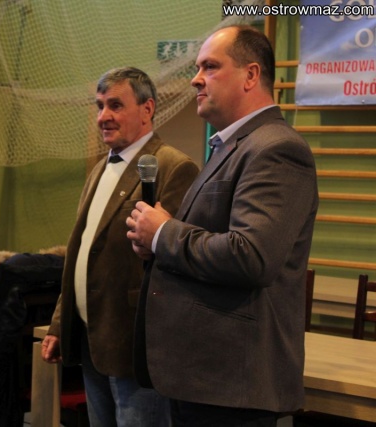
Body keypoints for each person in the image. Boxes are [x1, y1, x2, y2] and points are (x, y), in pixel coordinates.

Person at [127, 25, 319, 427]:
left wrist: (163, 234)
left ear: (251, 75)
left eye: (210, 67)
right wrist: (155, 244)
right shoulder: (231, 146)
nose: (195, 79)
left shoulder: (276, 148)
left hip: (231, 387)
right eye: (198, 68)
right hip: (203, 378)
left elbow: (251, 257)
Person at [41, 67, 199, 426]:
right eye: (100, 106)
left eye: (115, 105)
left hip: (135, 345)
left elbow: (178, 260)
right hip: (90, 338)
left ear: (147, 109)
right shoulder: (99, 169)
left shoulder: (174, 167)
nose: (103, 117)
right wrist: (59, 325)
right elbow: (82, 255)